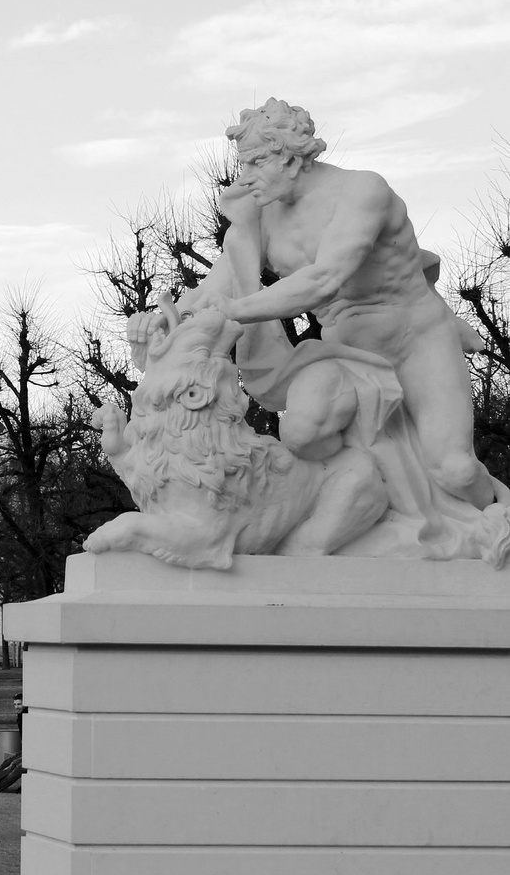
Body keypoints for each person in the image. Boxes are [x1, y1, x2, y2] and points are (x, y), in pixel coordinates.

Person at [180, 98, 509, 557]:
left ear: (290, 157)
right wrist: (168, 319)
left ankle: (493, 521)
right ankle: (361, 505)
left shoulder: (361, 191)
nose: (247, 174)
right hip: (344, 350)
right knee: (303, 434)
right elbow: (217, 286)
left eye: (257, 161)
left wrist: (235, 309)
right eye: (244, 164)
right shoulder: (263, 216)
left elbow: (324, 278)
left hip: (416, 339)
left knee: (454, 470)